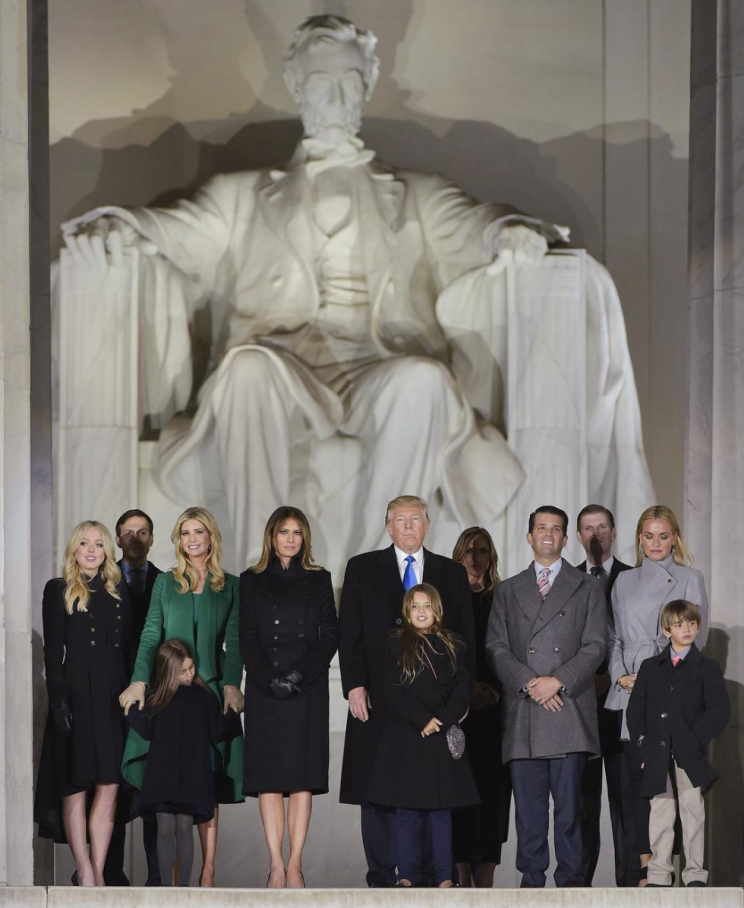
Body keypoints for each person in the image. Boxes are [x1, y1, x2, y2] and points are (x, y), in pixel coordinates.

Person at [60, 14, 653, 574]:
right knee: (244, 373)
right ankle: (262, 577)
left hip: (379, 365)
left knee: (423, 382)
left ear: (367, 85)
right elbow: (174, 229)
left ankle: (374, 580)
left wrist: (508, 232)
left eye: (349, 82)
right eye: (321, 83)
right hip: (278, 362)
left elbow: (474, 224)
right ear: (296, 85)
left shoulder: (414, 194)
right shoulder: (242, 195)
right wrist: (124, 228)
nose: (336, 99)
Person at [338, 494, 475, 888]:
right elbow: (350, 633)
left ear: (428, 525)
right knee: (378, 785)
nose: (409, 526)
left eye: (416, 519)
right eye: (401, 519)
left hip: (437, 706)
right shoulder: (362, 568)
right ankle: (383, 876)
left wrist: (462, 702)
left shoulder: (450, 572)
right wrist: (354, 686)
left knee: (434, 790)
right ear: (388, 525)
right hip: (381, 701)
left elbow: (465, 635)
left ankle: (433, 876)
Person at [118, 506, 244, 887]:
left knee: (206, 779)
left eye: (198, 532)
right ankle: (169, 879)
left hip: (209, 692)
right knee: (163, 781)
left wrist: (231, 685)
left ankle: (207, 870)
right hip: (166, 691)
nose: (192, 540)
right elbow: (150, 634)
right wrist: (140, 681)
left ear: (211, 538)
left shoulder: (232, 585)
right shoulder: (165, 582)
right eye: (185, 533)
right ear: (179, 540)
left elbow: (234, 641)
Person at [485, 506, 606, 888]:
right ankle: (532, 883)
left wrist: (557, 680)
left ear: (567, 539)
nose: (549, 534)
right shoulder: (507, 590)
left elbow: (595, 644)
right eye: (541, 528)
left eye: (556, 528)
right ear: (529, 536)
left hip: (569, 708)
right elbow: (495, 647)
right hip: (525, 710)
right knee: (529, 812)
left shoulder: (587, 586)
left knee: (571, 812)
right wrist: (531, 682)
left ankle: (571, 883)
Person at [605, 504, 709, 886]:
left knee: (683, 787)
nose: (655, 543)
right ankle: (650, 867)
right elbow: (614, 637)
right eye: (648, 536)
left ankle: (686, 869)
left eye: (663, 535)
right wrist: (620, 677)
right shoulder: (624, 581)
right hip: (630, 689)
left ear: (675, 538)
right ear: (638, 539)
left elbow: (698, 639)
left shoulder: (690, 577)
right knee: (642, 783)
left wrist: (652, 677)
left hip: (672, 692)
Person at [239, 506, 339, 889]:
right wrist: (267, 678)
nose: (291, 539)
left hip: (307, 689)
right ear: (272, 535)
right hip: (266, 691)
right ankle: (275, 864)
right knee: (268, 781)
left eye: (298, 532)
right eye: (284, 531)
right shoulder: (251, 580)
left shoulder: (319, 579)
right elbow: (246, 635)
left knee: (300, 780)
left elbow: (329, 634)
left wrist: (299, 676)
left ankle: (296, 863)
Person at [35, 520, 131, 886]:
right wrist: (59, 703)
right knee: (74, 784)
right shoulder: (58, 589)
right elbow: (52, 652)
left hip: (111, 697)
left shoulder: (118, 592)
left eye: (99, 544)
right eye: (84, 544)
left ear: (107, 550)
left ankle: (99, 867)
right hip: (74, 694)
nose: (91, 550)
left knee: (109, 784)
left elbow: (126, 651)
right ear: (74, 549)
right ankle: (84, 869)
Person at [366, 584, 479, 888]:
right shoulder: (393, 643)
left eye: (427, 605)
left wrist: (440, 719)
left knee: (441, 813)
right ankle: (406, 876)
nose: (420, 611)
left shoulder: (455, 644)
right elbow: (391, 690)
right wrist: (421, 719)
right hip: (407, 738)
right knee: (407, 812)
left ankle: (444, 877)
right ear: (406, 611)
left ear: (436, 610)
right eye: (414, 606)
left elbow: (462, 689)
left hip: (440, 738)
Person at [626, 601, 729, 888]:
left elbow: (719, 712)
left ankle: (695, 874)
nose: (687, 629)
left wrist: (693, 740)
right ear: (666, 630)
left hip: (689, 754)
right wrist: (644, 744)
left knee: (693, 811)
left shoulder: (706, 668)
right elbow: (635, 712)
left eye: (692, 623)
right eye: (680, 624)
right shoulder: (650, 667)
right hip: (657, 752)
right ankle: (659, 873)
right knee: (660, 810)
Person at [126, 639, 241, 888]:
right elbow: (146, 729)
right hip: (162, 774)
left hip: (192, 775)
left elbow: (215, 732)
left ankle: (185, 889)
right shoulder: (157, 699)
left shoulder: (205, 698)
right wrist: (129, 708)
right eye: (183, 671)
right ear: (169, 671)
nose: (189, 675)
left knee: (184, 826)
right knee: (165, 827)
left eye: (191, 668)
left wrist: (233, 713)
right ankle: (166, 889)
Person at [103, 508, 163, 886]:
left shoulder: (166, 581)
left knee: (152, 788)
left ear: (152, 538)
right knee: (114, 786)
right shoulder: (103, 581)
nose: (135, 539)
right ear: (118, 538)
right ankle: (110, 874)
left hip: (156, 697)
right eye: (128, 533)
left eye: (143, 532)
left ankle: (157, 877)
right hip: (112, 696)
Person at [574, 504, 632, 887]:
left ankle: (631, 886)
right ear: (578, 537)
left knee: (627, 803)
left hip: (626, 708)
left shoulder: (636, 577)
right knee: (581, 807)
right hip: (579, 711)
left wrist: (612, 680)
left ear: (613, 531)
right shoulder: (565, 580)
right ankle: (578, 887)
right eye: (587, 528)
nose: (595, 534)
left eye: (601, 527)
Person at [450, 527, 511, 888]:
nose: (475, 558)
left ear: (492, 557)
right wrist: (465, 689)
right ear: (459, 555)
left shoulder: (502, 598)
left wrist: (493, 690)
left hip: (496, 708)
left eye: (482, 551)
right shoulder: (446, 599)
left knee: (493, 792)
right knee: (460, 790)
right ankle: (460, 874)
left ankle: (486, 873)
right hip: (458, 710)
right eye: (469, 551)